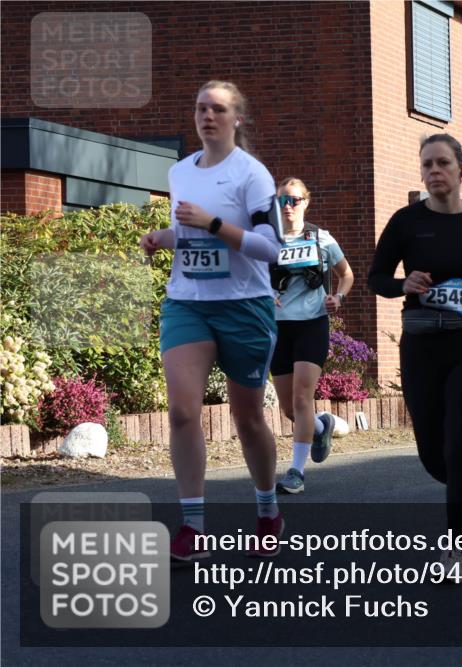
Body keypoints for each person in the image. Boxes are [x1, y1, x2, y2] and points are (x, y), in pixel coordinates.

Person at [140, 80, 284, 561]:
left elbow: (271, 249)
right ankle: (193, 527)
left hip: (244, 305)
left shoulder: (252, 175)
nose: (207, 116)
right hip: (188, 302)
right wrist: (162, 237)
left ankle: (268, 510)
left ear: (236, 118)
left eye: (218, 109)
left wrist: (215, 224)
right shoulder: (179, 171)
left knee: (248, 418)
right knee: (182, 411)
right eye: (201, 108)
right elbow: (186, 233)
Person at [367, 134, 462, 574]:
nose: (434, 171)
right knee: (432, 456)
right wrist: (403, 284)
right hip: (421, 346)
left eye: (442, 163)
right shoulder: (406, 222)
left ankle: (454, 550)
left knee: (457, 448)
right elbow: (377, 278)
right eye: (427, 165)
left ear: (461, 170)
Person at [269, 177, 354, 494]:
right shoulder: (267, 241)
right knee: (289, 409)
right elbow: (250, 277)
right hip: (278, 328)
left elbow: (346, 274)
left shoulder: (322, 239)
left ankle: (296, 472)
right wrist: (265, 294)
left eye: (293, 200)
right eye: (281, 200)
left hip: (312, 324)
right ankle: (321, 425)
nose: (287, 206)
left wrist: (338, 297)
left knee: (302, 398)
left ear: (305, 202)